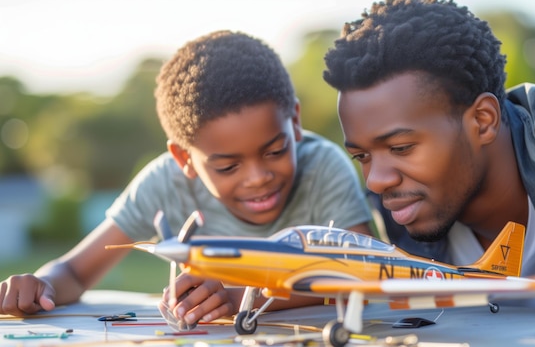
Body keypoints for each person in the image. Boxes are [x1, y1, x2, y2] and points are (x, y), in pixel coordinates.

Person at [0, 30, 373, 327]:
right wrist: (41, 285)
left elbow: (361, 273)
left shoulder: (324, 165)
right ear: (183, 158)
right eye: (228, 167)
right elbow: (74, 271)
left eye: (275, 151)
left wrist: (236, 296)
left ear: (294, 121)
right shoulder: (163, 183)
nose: (259, 178)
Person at [323, 0, 535, 319]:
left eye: (401, 148)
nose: (377, 180)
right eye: (361, 156)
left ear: (483, 120)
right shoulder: (402, 208)